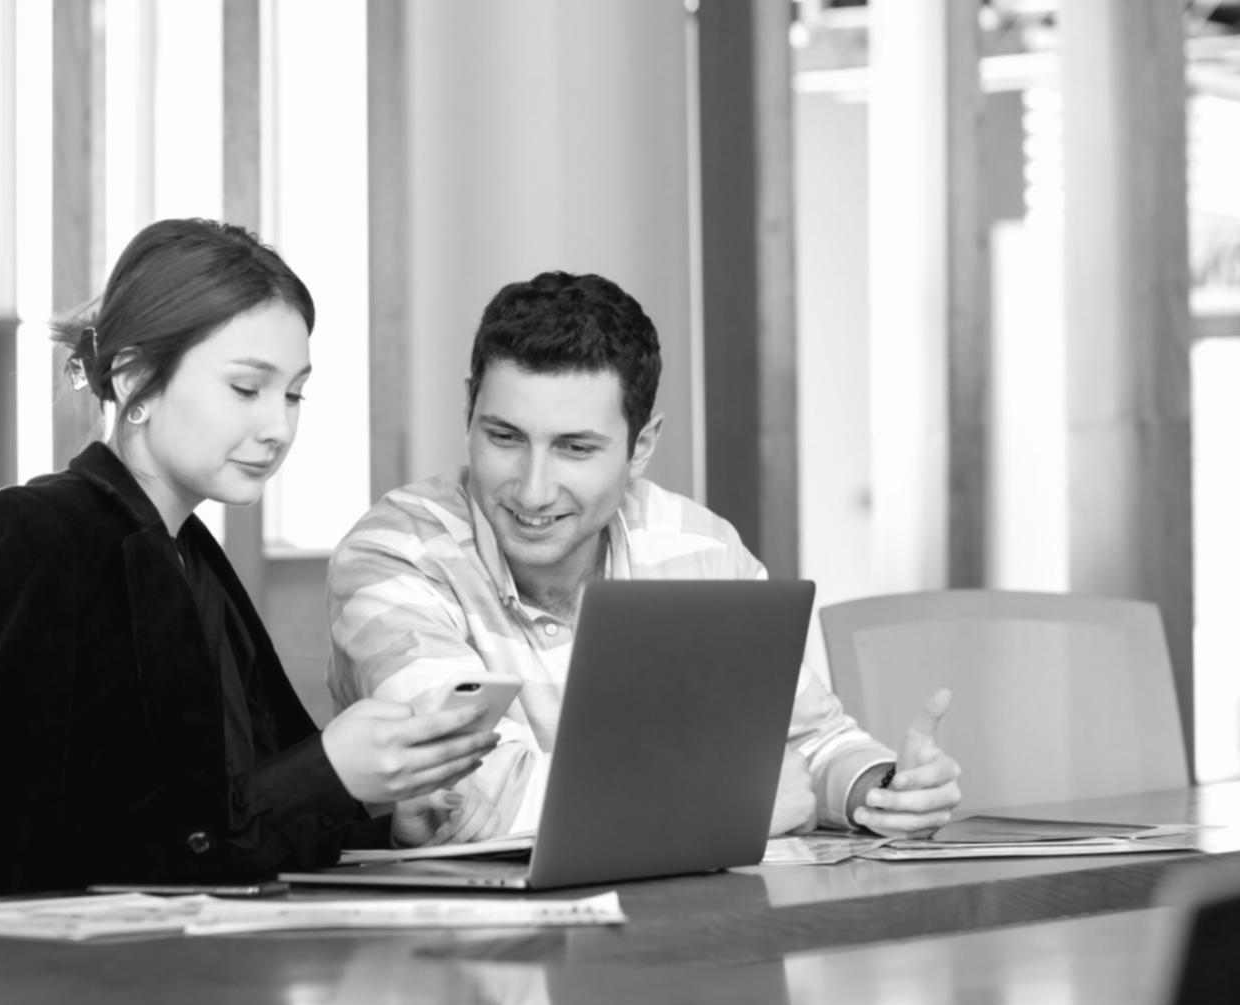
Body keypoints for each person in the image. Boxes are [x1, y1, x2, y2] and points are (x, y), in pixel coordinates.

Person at [0, 218, 498, 902]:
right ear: (133, 378)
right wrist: (327, 774)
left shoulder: (191, 556)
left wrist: (378, 822)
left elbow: (232, 824)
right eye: (246, 389)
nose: (278, 427)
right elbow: (12, 851)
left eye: (294, 393)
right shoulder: (36, 536)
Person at [328, 271, 962, 839]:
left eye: (576, 448)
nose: (532, 488)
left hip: (686, 931)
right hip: (476, 950)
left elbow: (806, 742)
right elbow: (470, 795)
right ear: (470, 410)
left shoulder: (699, 549)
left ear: (640, 447)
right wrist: (724, 803)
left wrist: (879, 789)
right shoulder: (394, 554)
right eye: (504, 437)